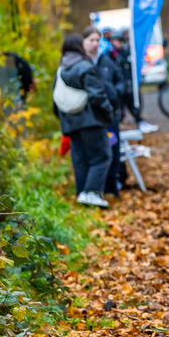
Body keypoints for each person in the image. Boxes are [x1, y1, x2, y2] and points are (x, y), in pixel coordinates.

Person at [53, 34, 115, 208]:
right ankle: (92, 192)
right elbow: (97, 95)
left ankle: (82, 193)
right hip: (91, 121)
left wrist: (65, 119)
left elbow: (55, 100)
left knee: (80, 160)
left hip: (70, 123)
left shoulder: (61, 69)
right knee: (101, 157)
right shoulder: (84, 66)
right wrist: (109, 115)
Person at [83, 26, 127, 198]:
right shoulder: (82, 64)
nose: (95, 44)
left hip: (110, 114)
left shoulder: (107, 62)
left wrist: (114, 93)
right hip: (90, 117)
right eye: (91, 40)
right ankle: (94, 190)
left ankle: (112, 188)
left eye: (97, 40)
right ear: (84, 42)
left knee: (114, 151)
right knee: (97, 154)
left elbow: (120, 81)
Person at [112, 29, 159, 134]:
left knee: (132, 105)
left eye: (121, 40)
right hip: (120, 86)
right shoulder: (112, 55)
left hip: (126, 85)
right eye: (118, 40)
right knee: (121, 110)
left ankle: (139, 122)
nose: (120, 43)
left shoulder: (124, 52)